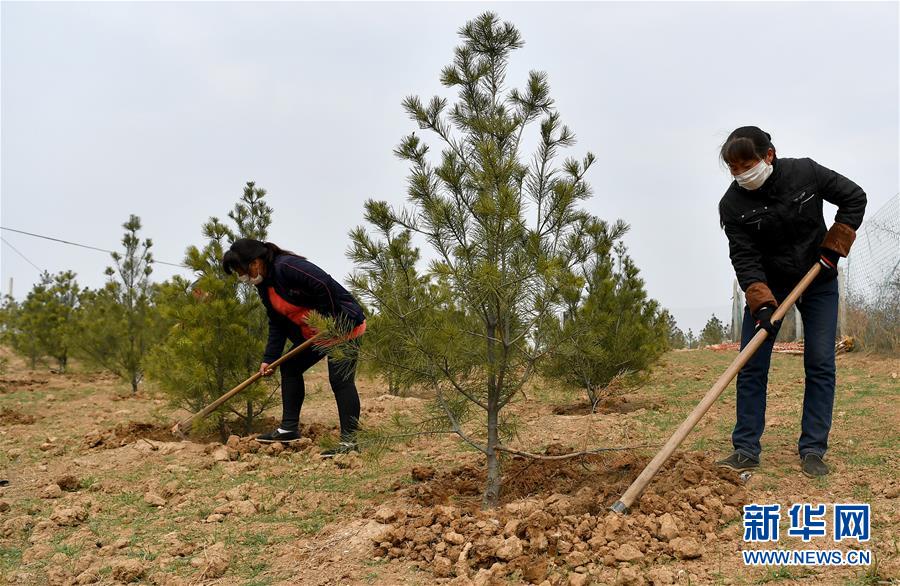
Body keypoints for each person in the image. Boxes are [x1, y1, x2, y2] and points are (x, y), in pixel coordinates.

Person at [715, 126, 866, 478]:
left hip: (818, 278)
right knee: (751, 364)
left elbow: (854, 197)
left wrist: (834, 247)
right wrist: (762, 303)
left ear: (769, 155)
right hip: (769, 287)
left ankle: (813, 448)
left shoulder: (805, 172)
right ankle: (746, 449)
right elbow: (745, 258)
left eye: (746, 164)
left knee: (820, 362)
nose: (741, 174)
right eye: (733, 169)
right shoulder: (732, 205)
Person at [222, 238, 366, 456]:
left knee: (340, 380)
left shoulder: (287, 266)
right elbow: (276, 322)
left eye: (242, 270)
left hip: (342, 326)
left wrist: (330, 320)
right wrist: (269, 358)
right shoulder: (264, 286)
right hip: (315, 334)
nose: (243, 277)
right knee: (289, 367)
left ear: (255, 262)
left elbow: (323, 284)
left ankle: (349, 443)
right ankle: (288, 429)